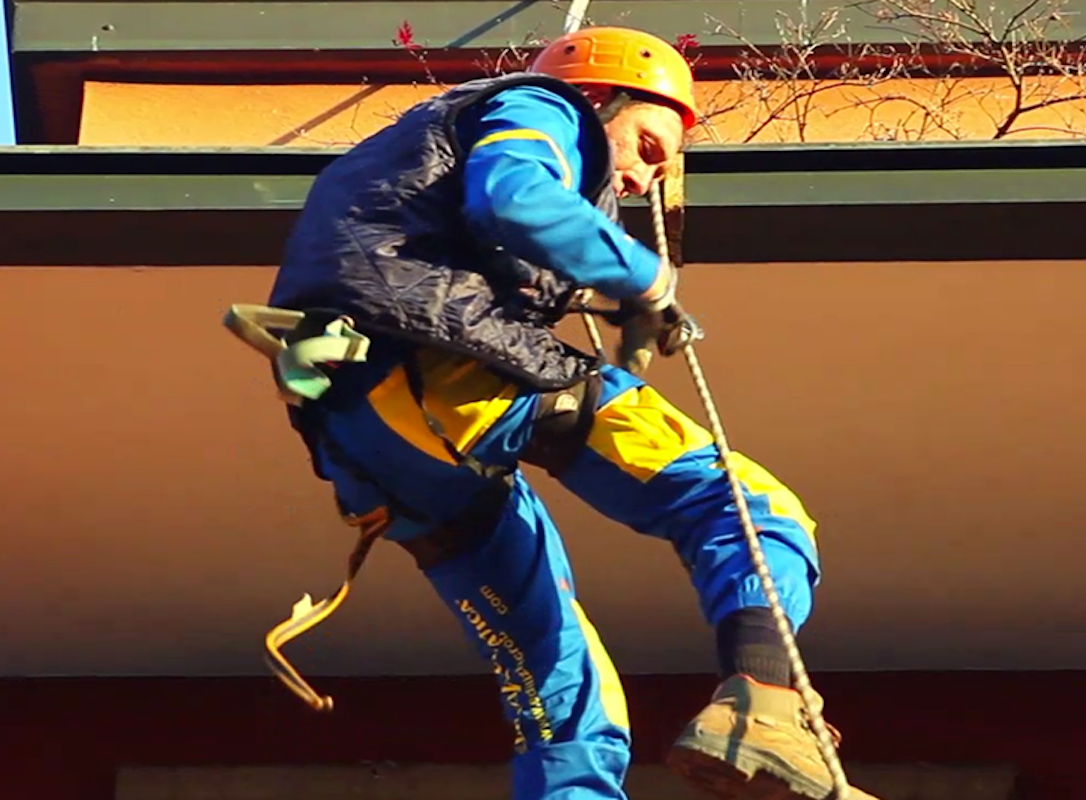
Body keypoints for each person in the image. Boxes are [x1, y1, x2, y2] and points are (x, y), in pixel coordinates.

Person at [260, 24, 849, 800]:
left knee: (558, 668)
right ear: (601, 95)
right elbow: (516, 196)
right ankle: (764, 706)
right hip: (438, 372)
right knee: (747, 507)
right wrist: (643, 278)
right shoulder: (545, 105)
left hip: (371, 435)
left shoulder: (422, 156)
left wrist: (601, 292)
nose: (648, 175)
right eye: (648, 143)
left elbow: (464, 234)